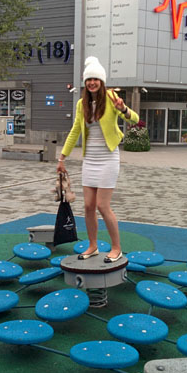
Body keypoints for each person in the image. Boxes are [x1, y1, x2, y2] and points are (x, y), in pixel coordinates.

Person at [57, 56, 139, 263]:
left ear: (102, 82)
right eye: (88, 80)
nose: (92, 83)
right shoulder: (81, 103)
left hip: (108, 159)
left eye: (96, 79)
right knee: (88, 206)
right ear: (85, 83)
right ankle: (92, 246)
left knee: (103, 206)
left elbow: (135, 120)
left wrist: (123, 109)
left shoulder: (112, 98)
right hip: (90, 161)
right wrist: (62, 157)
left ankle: (117, 248)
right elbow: (75, 130)